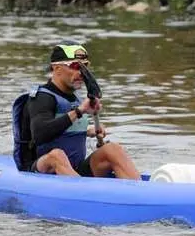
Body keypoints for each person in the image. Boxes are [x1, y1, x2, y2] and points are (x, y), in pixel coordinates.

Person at [12, 43, 141, 179]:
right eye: (75, 66)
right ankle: (85, 195)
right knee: (57, 155)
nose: (81, 73)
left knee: (113, 149)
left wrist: (87, 131)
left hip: (75, 169)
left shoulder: (76, 98)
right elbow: (40, 134)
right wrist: (79, 111)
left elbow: (63, 130)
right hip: (40, 171)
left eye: (85, 66)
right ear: (57, 69)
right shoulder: (41, 98)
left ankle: (140, 193)